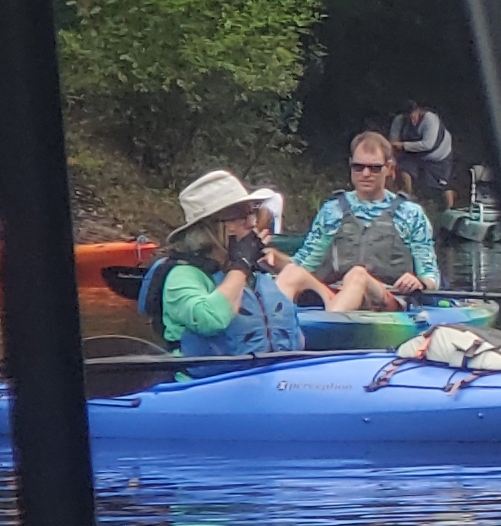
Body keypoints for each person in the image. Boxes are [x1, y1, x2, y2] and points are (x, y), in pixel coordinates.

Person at [139, 169, 338, 358]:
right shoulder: (182, 276)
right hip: (205, 385)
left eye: (252, 213)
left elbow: (295, 336)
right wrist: (241, 265)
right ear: (209, 228)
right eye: (239, 216)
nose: (252, 223)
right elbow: (212, 319)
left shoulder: (257, 275)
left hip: (267, 379)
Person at [293, 131, 439, 312]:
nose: (366, 173)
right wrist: (273, 261)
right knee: (291, 273)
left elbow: (430, 275)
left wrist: (420, 282)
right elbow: (305, 263)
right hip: (336, 293)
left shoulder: (410, 214)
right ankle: (269, 330)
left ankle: (330, 322)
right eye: (358, 167)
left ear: (389, 169)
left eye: (374, 168)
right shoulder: (332, 211)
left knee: (357, 274)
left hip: (389, 298)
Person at [389, 99, 455, 206]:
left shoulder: (430, 119)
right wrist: (392, 159)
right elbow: (393, 142)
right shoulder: (399, 121)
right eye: (407, 115)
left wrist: (403, 145)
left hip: (438, 157)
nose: (411, 118)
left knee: (441, 187)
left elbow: (428, 144)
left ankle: (448, 209)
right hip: (413, 154)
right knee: (405, 170)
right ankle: (407, 199)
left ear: (418, 111)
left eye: (413, 114)